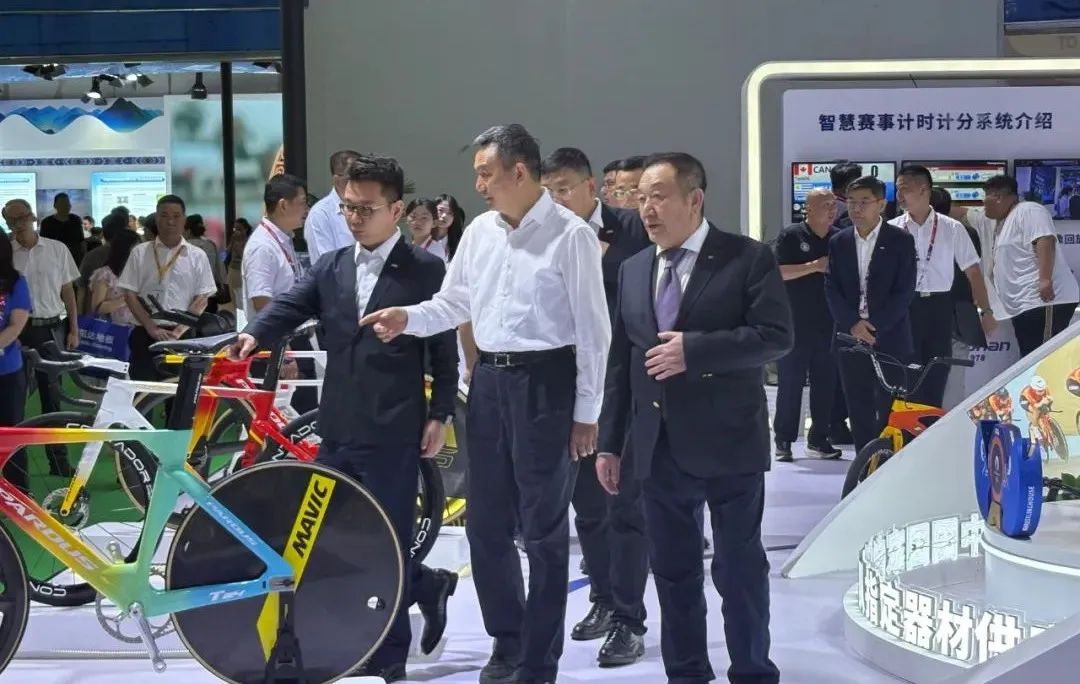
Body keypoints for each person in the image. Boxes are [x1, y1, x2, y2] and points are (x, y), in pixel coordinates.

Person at [359, 124, 610, 684]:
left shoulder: (570, 236)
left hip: (548, 383)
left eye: (485, 174)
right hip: (490, 383)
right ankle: (508, 641)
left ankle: (539, 660)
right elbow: (454, 303)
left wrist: (587, 414)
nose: (478, 185)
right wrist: (408, 318)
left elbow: (595, 334)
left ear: (518, 171)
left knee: (543, 532)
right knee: (487, 526)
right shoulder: (480, 233)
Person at [232, 155, 459, 682]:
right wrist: (253, 333)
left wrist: (441, 412)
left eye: (366, 209)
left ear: (396, 210)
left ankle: (390, 655)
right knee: (329, 537)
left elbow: (443, 350)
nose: (355, 218)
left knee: (390, 540)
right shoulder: (331, 265)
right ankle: (423, 589)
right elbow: (290, 304)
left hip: (395, 426)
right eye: (348, 208)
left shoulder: (425, 270)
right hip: (336, 424)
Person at [597, 152, 789, 684]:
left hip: (729, 443)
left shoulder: (746, 258)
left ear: (694, 198)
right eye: (640, 198)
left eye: (658, 197)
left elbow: (776, 337)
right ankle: (686, 674)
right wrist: (611, 442)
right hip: (658, 446)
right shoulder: (634, 268)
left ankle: (752, 671)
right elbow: (622, 361)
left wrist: (695, 350)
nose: (646, 209)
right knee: (673, 573)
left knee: (739, 570)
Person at [540, 146, 651, 666]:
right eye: (548, 191)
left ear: (591, 188)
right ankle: (603, 598)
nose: (556, 200)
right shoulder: (544, 235)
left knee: (623, 504)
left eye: (564, 189)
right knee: (586, 506)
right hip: (570, 387)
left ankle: (630, 619)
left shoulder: (634, 229)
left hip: (625, 385)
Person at [889, 165, 996, 406]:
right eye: (897, 189)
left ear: (923, 190)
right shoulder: (892, 228)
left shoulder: (952, 228)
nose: (899, 195)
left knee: (938, 372)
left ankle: (931, 424)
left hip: (939, 308)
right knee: (907, 374)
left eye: (904, 189)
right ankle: (909, 428)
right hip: (904, 308)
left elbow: (973, 272)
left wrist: (986, 311)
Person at [825, 176, 917, 452]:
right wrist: (853, 324)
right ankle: (864, 460)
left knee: (890, 403)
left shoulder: (900, 240)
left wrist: (874, 327)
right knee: (857, 403)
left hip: (889, 335)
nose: (856, 208)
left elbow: (904, 291)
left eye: (864, 202)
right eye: (851, 202)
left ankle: (888, 459)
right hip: (850, 336)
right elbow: (831, 288)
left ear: (881, 204)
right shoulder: (839, 241)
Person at [772, 187, 842, 461]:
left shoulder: (839, 238)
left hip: (829, 323)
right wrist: (813, 266)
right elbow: (778, 272)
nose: (831, 210)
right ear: (809, 209)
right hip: (795, 323)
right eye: (825, 205)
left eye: (833, 205)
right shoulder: (792, 236)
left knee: (826, 384)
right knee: (791, 383)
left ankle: (819, 439)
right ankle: (784, 439)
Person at [977, 175, 1079, 357]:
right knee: (1030, 358)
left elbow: (1044, 239)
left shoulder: (1029, 210)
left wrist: (1045, 279)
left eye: (986, 196)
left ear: (999, 197)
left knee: (1042, 359)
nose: (982, 202)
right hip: (1025, 306)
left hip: (1044, 301)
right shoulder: (1003, 222)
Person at [118, 195, 216, 381]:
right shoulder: (140, 252)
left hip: (183, 336)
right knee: (142, 391)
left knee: (180, 392)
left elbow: (202, 299)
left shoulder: (197, 256)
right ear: (156, 218)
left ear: (184, 220)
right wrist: (151, 327)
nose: (170, 221)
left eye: (176, 216)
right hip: (145, 333)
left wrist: (178, 332)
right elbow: (129, 294)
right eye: (164, 215)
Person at [242, 174, 317, 414]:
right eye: (302, 202)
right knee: (281, 421)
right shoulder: (263, 247)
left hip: (289, 339)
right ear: (284, 205)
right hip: (275, 345)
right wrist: (285, 355)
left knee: (299, 419)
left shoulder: (282, 239)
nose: (306, 209)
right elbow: (262, 303)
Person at [3, 199, 80, 421]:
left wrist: (74, 329)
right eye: (12, 220)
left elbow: (68, 291)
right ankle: (16, 442)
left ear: (33, 217)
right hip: (16, 332)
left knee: (52, 393)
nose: (18, 224)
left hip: (50, 328)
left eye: (22, 218)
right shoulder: (6, 254)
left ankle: (55, 442)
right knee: (15, 393)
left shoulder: (57, 249)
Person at [305, 149, 362, 264]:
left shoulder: (367, 207)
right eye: (356, 176)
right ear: (337, 178)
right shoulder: (320, 214)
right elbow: (326, 264)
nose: (362, 180)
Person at [89, 229, 140, 326]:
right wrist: (126, 299)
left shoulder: (137, 272)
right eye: (135, 249)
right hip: (114, 329)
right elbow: (97, 308)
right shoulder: (105, 274)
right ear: (123, 250)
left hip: (139, 326)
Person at [40, 192, 86, 265]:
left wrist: (83, 257)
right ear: (55, 205)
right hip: (55, 260)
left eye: (67, 203)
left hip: (75, 259)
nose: (66, 206)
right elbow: (43, 243)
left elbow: (81, 241)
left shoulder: (76, 220)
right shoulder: (46, 222)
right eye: (62, 204)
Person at [226, 217, 252, 307]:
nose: (237, 232)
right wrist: (232, 241)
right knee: (234, 296)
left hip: (243, 272)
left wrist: (238, 245)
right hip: (233, 270)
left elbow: (244, 256)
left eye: (239, 229)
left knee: (242, 298)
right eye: (235, 229)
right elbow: (227, 252)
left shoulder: (250, 241)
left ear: (246, 229)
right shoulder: (234, 239)